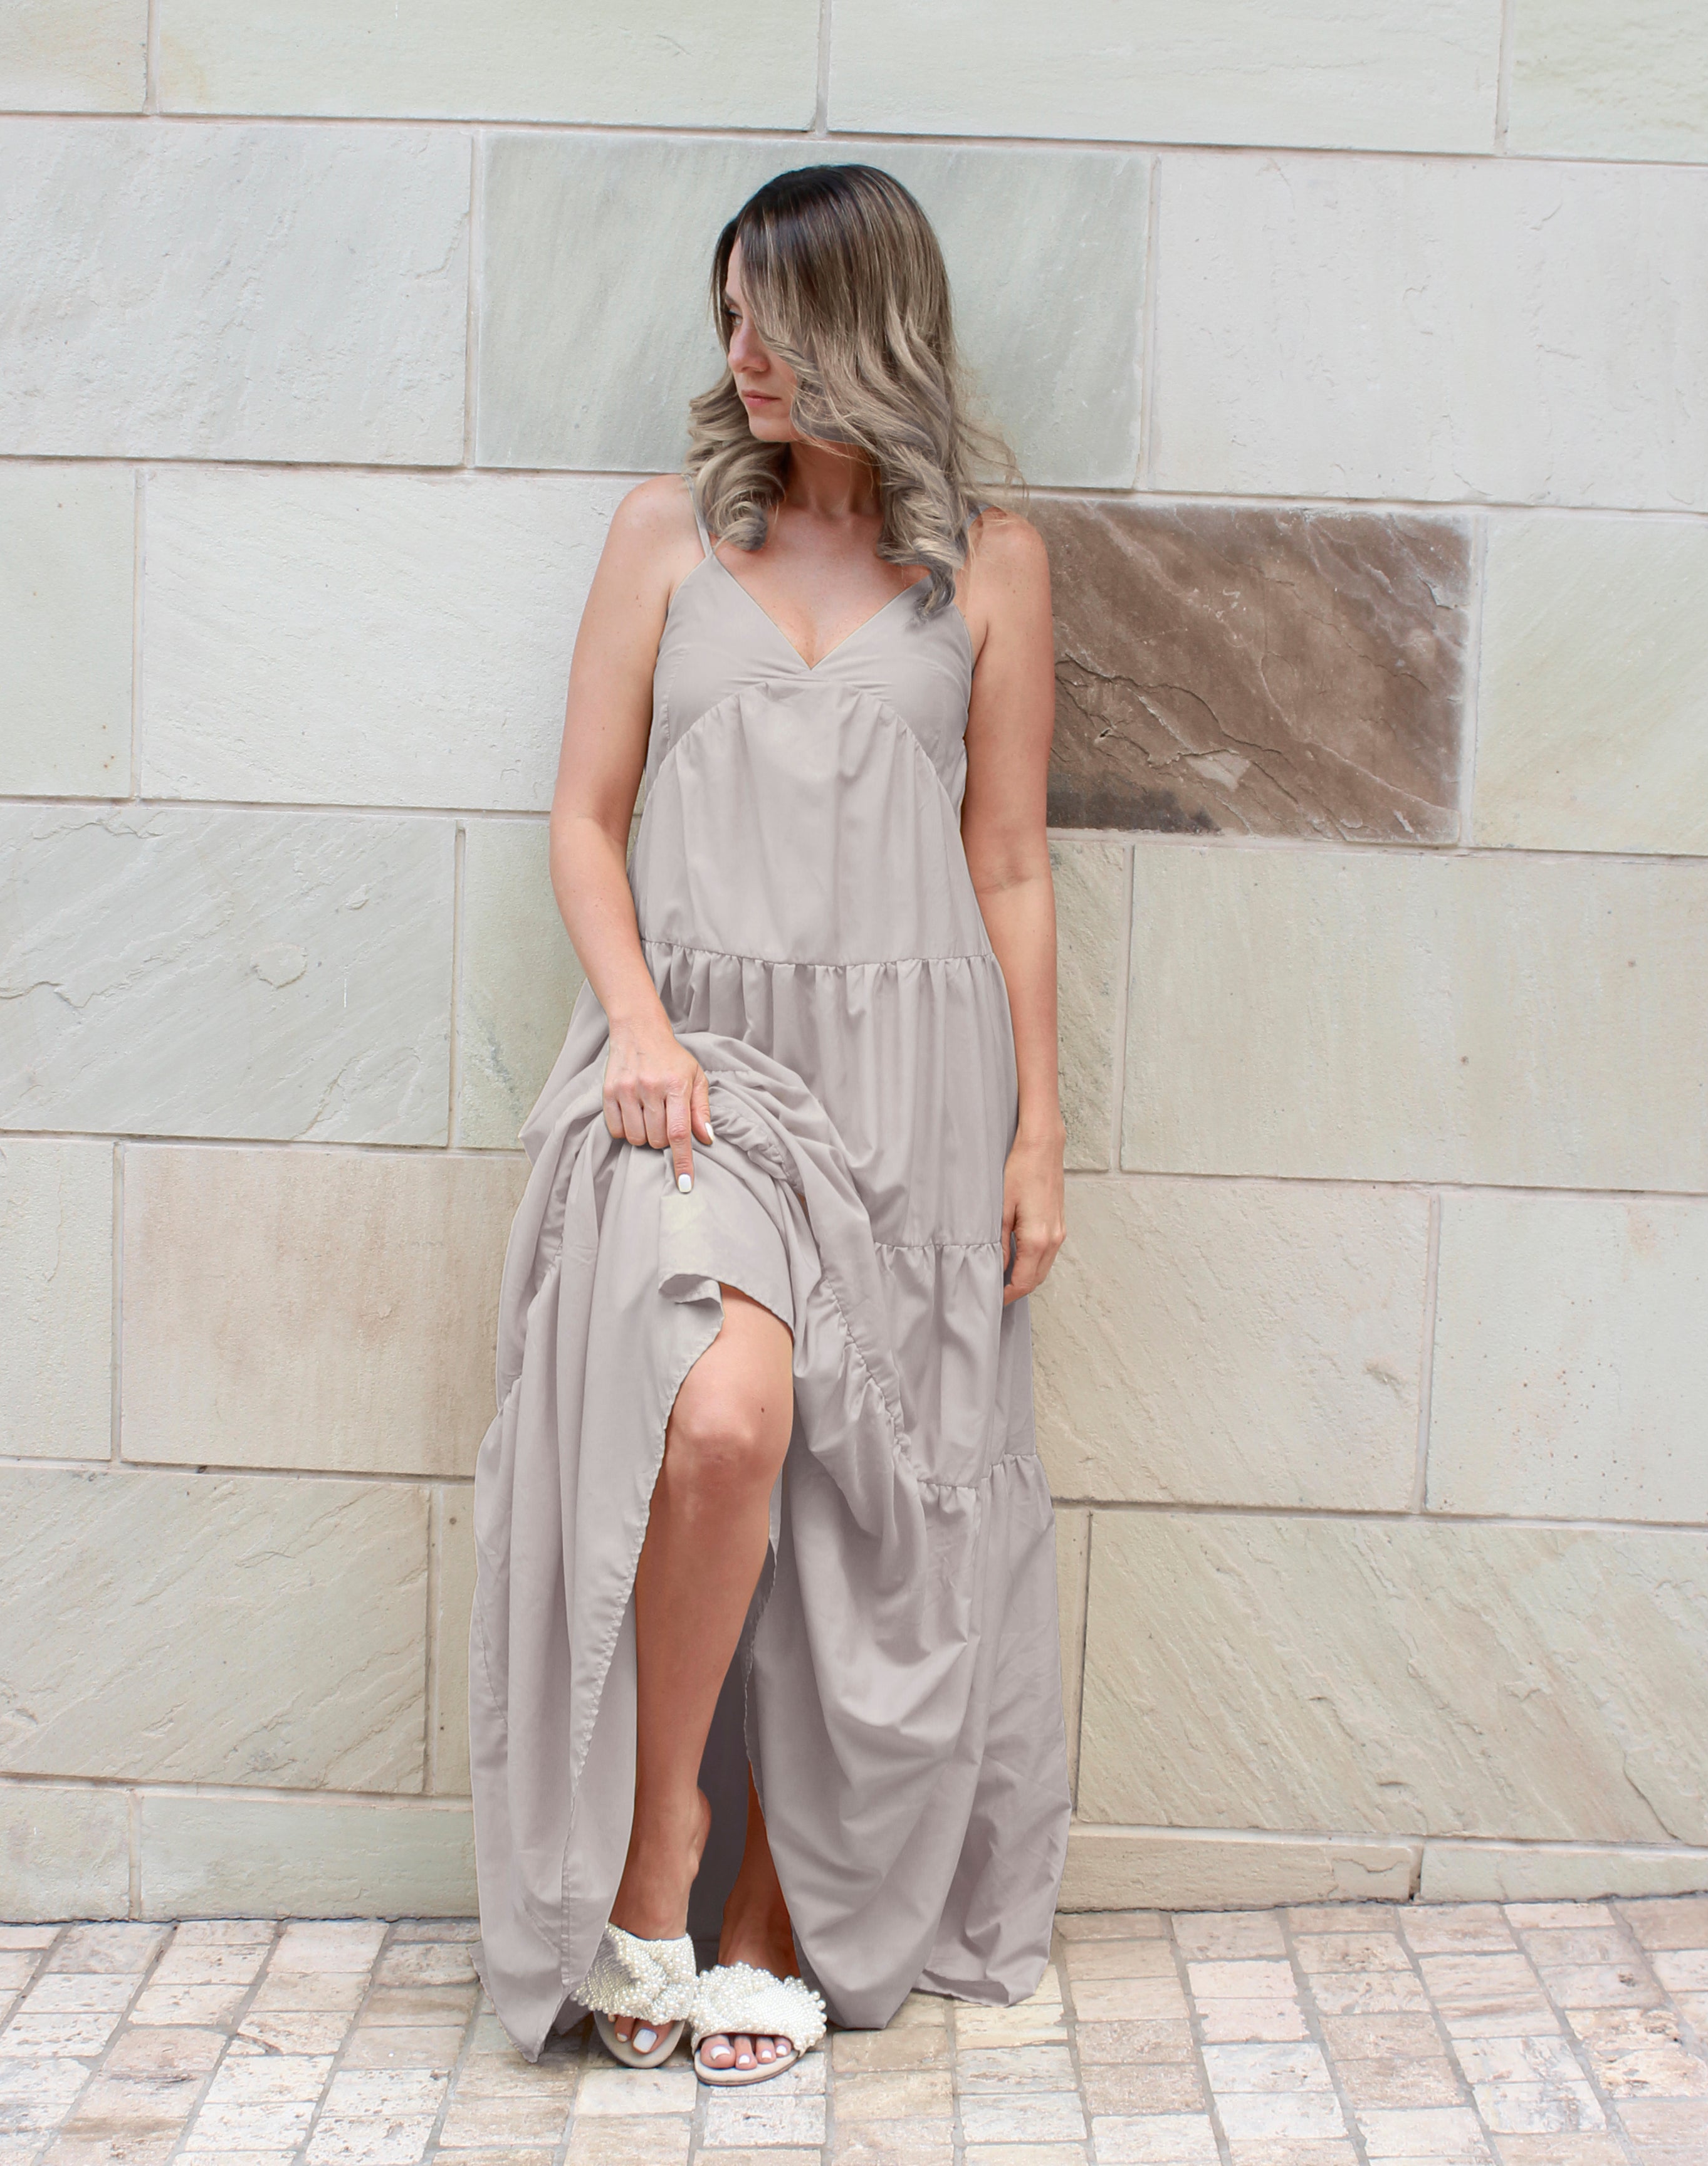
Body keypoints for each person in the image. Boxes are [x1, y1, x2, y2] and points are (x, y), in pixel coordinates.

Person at [468, 162, 1071, 2088]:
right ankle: (664, 1843)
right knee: (724, 1419)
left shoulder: (991, 562)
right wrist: (638, 1026)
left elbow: (1012, 866)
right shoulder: (662, 534)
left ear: (871, 324)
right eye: (727, 314)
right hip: (707, 1077)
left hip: (918, 1081)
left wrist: (1038, 1130)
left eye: (776, 320)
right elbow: (580, 818)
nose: (741, 356)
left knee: (870, 1498)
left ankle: (775, 1918)